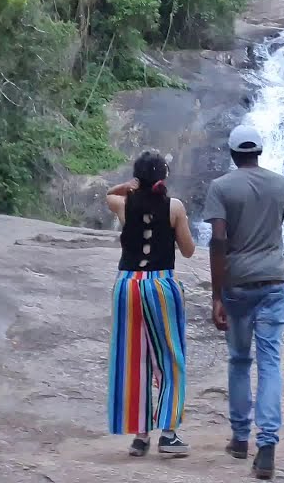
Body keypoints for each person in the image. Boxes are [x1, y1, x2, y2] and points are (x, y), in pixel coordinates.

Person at [202, 124, 284, 481]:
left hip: (237, 284)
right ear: (259, 151)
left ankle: (240, 439)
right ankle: (267, 444)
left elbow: (218, 242)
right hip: (274, 281)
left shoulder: (221, 187)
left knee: (240, 360)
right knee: (270, 363)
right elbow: (277, 224)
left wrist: (216, 294)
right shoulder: (281, 184)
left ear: (232, 153)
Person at [105, 150, 196, 458]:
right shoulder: (174, 207)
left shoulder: (122, 204)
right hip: (160, 284)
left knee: (133, 358)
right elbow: (188, 251)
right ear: (164, 177)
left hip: (127, 285)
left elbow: (109, 193)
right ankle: (168, 433)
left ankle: (140, 436)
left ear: (137, 178)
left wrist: (129, 185)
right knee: (171, 356)